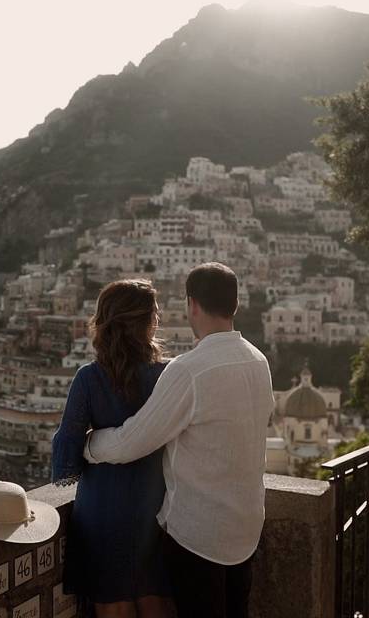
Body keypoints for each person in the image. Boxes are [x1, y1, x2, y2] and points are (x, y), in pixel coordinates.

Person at [84, 262, 275, 618]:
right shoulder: (258, 360)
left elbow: (133, 441)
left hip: (199, 536)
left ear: (192, 304)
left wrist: (90, 445)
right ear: (234, 304)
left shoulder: (189, 369)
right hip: (246, 529)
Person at [50, 279, 174, 618]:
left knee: (113, 606)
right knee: (157, 601)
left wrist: (95, 440)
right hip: (157, 505)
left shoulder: (89, 378)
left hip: (102, 509)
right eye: (155, 314)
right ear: (146, 322)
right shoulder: (169, 376)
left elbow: (66, 457)